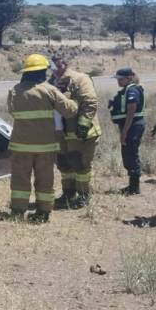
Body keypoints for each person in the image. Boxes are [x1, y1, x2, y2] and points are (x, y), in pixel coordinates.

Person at [7, 54, 80, 222]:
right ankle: (43, 212)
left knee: (20, 181)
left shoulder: (14, 91)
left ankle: (18, 212)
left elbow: (12, 112)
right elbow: (70, 111)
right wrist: (71, 98)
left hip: (21, 146)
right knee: (45, 180)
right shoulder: (49, 90)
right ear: (42, 72)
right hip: (45, 147)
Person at [51, 57, 101, 209]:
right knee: (64, 164)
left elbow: (90, 102)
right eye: (52, 66)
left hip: (79, 133)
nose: (55, 69)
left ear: (65, 64)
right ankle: (68, 193)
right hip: (61, 133)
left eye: (58, 65)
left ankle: (84, 195)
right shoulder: (50, 82)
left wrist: (83, 124)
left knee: (80, 164)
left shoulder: (80, 79)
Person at [108, 67, 145, 195]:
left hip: (132, 126)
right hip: (130, 125)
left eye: (121, 79)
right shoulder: (126, 90)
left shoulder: (132, 90)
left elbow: (131, 112)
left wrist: (124, 132)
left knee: (131, 154)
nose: (118, 81)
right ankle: (132, 185)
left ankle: (134, 187)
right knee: (128, 153)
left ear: (129, 78)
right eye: (117, 79)